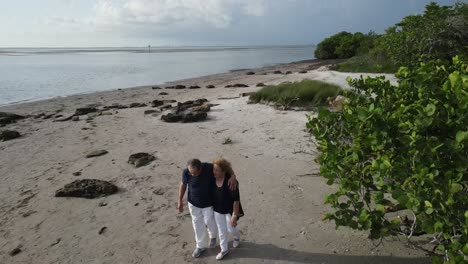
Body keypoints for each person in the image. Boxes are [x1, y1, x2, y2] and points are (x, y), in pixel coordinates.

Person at [177, 158, 237, 258]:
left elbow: (225, 166)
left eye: (195, 173)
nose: (192, 175)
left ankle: (213, 236)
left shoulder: (209, 168)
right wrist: (180, 200)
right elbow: (183, 184)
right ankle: (200, 246)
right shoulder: (186, 172)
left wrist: (233, 175)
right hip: (193, 203)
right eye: (191, 172)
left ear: (201, 168)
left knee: (210, 222)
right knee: (197, 223)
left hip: (208, 203)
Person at [212, 158, 244, 260]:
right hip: (217, 210)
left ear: (224, 171)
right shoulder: (212, 177)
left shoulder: (231, 181)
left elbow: (236, 200)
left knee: (231, 228)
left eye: (217, 170)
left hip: (229, 211)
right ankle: (224, 249)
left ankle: (236, 237)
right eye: (214, 169)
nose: (214, 172)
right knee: (221, 230)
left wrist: (234, 215)